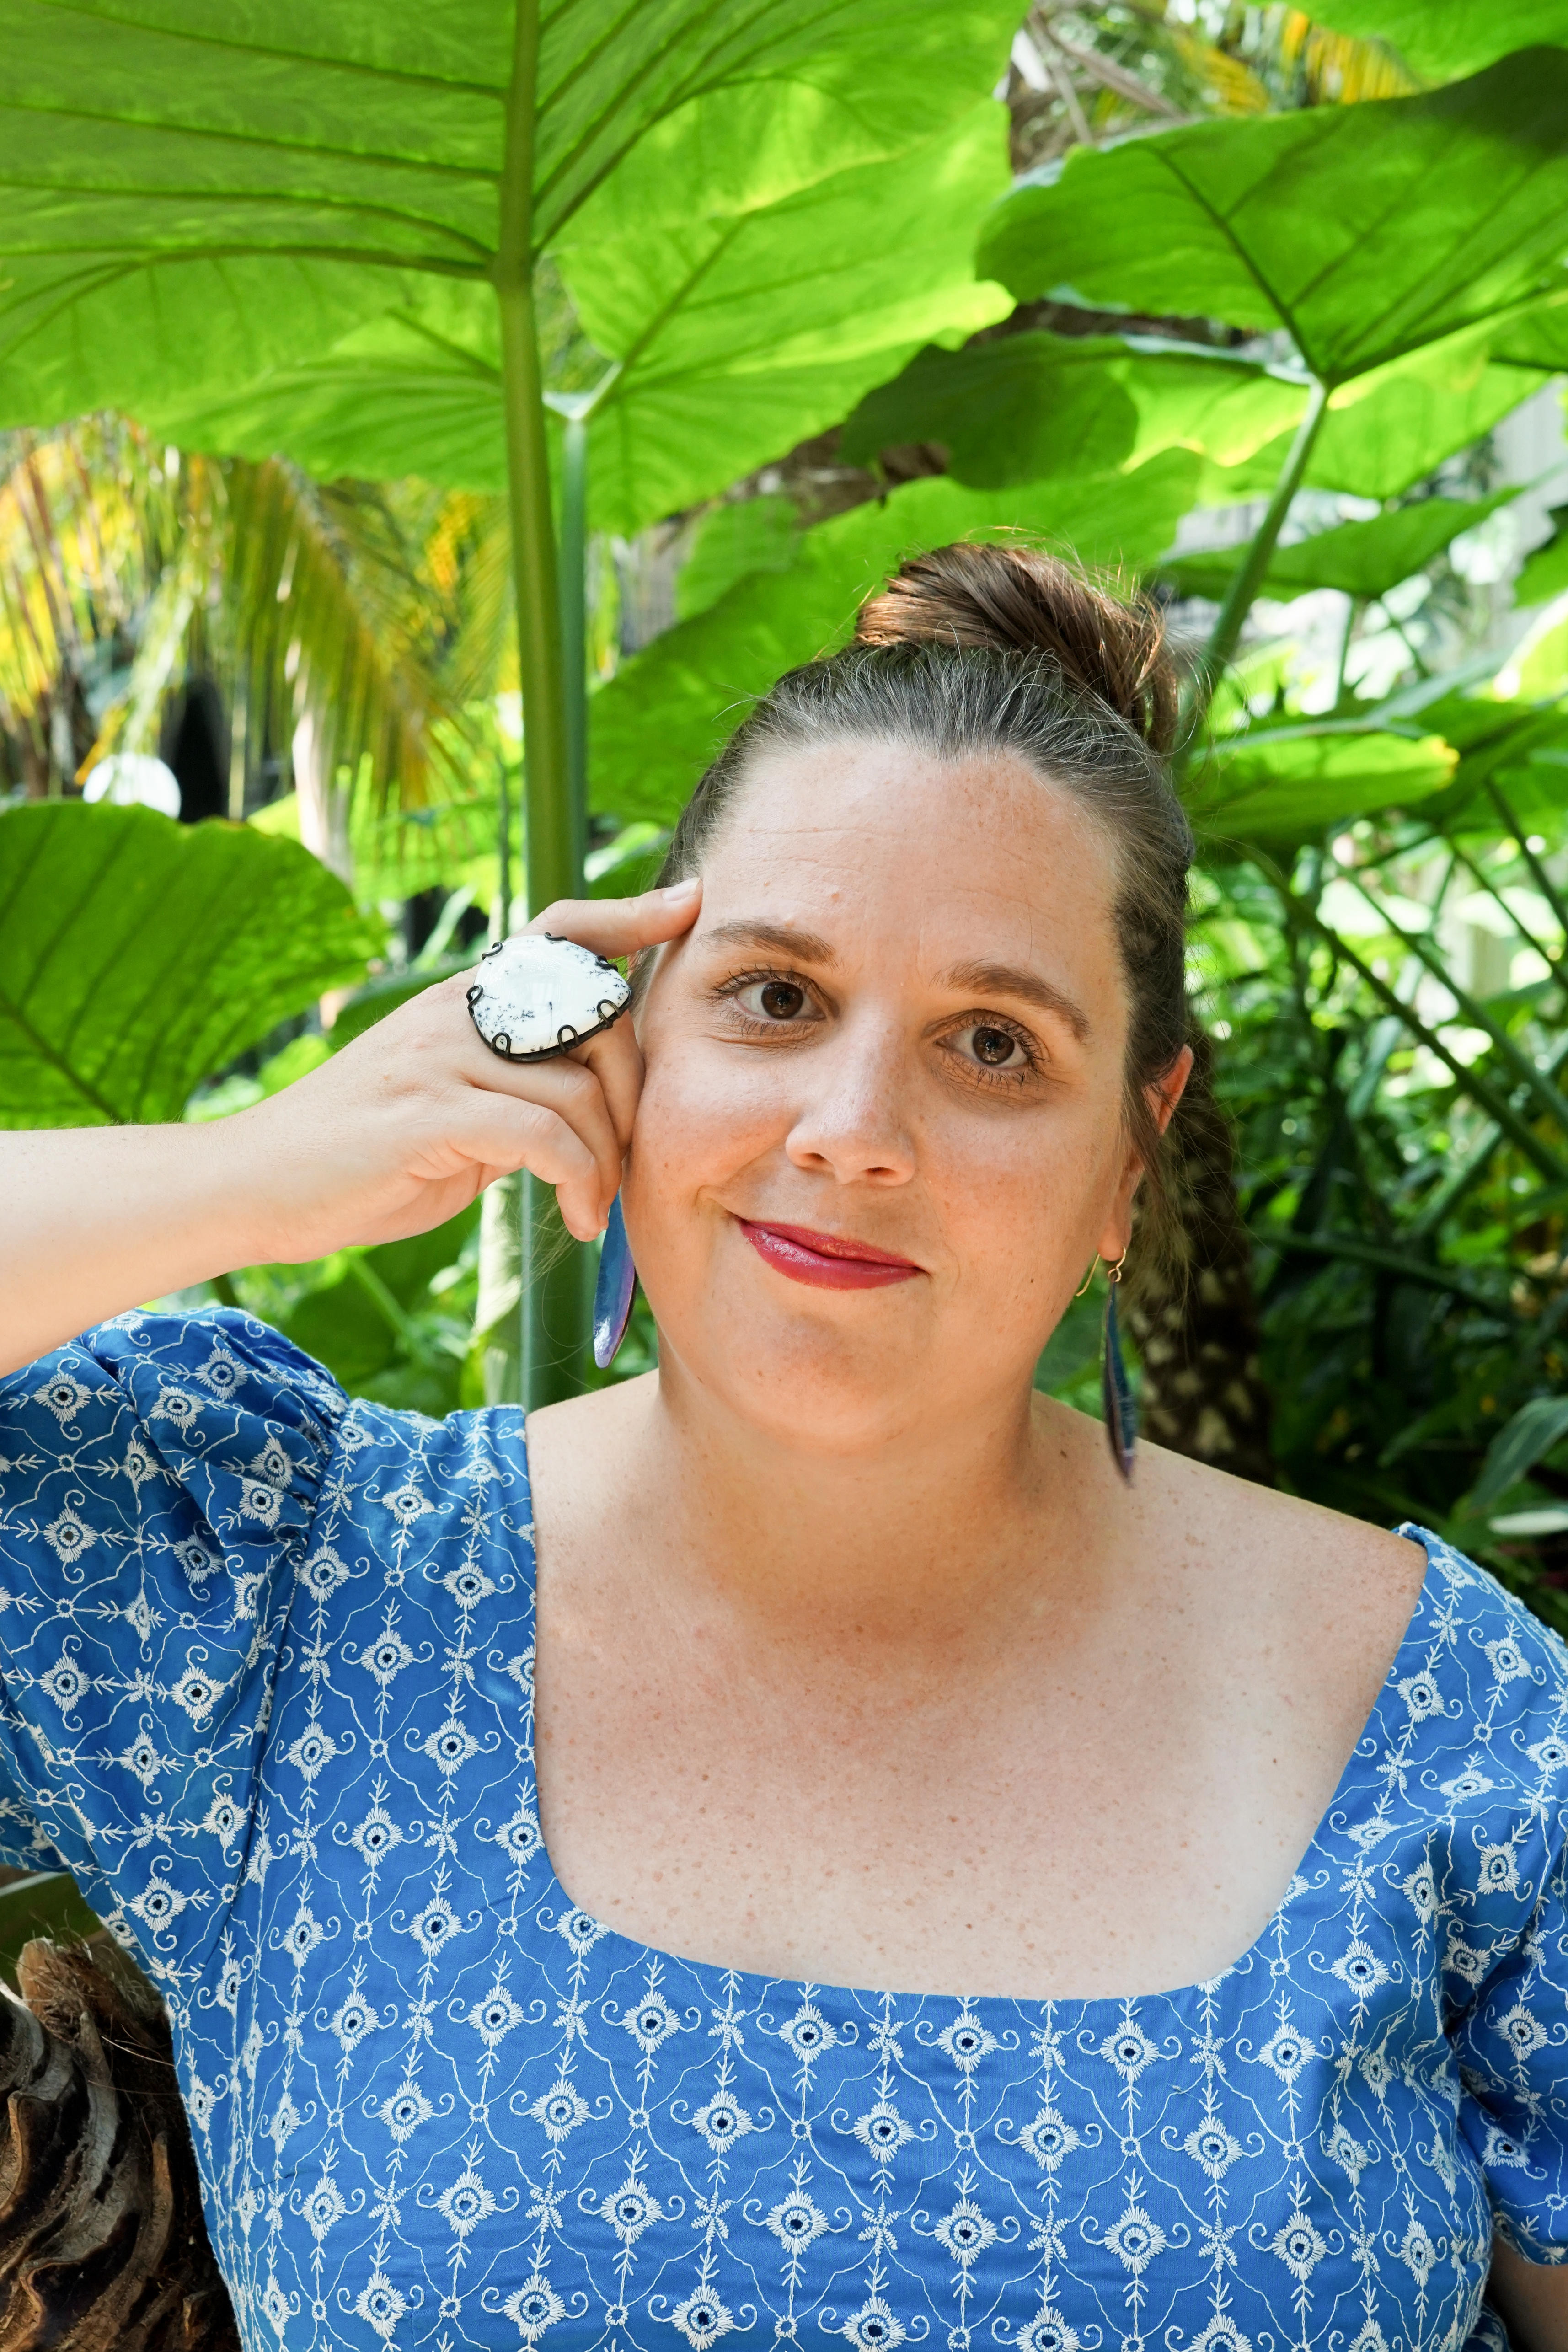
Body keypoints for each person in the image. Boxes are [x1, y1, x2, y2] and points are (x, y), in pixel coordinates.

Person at [1, 545, 1563, 2352]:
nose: (855, 1127)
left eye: (994, 1041)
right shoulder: (278, 1591)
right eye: (775, 996)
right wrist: (265, 1169)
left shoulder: (1453, 1723)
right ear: (620, 1029)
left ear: (1136, 1150)